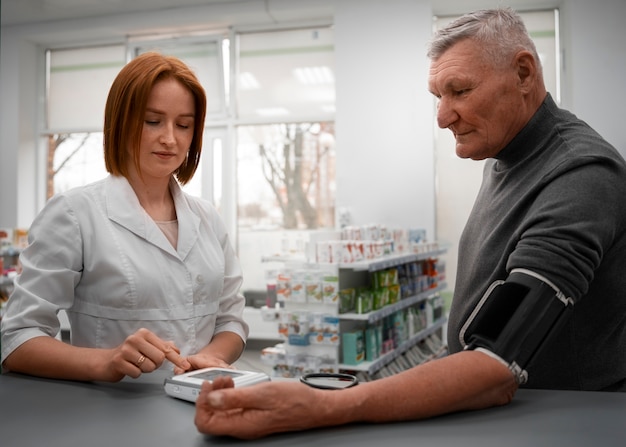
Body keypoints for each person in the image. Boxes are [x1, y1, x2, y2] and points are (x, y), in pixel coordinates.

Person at [193, 7, 626, 439]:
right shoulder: (507, 159)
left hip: (566, 425)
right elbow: (481, 332)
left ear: (524, 73)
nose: (442, 116)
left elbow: (497, 362)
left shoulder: (579, 177)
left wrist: (324, 406)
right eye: (438, 96)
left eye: (459, 91)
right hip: (509, 419)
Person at [0, 52, 248, 382]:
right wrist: (106, 362)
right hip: (112, 412)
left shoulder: (207, 219)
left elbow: (231, 320)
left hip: (200, 403)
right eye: (152, 121)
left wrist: (211, 357)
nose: (170, 138)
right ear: (121, 121)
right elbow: (17, 339)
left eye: (184, 125)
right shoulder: (74, 214)